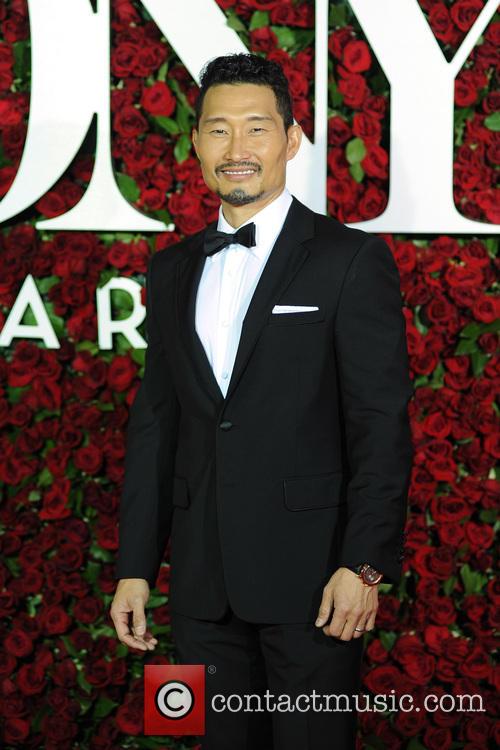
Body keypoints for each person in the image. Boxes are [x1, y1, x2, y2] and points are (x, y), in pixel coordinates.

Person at [110, 53, 414, 750]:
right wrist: (134, 568)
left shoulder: (348, 260)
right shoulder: (172, 267)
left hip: (315, 587)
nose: (237, 150)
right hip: (197, 590)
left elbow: (379, 425)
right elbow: (157, 424)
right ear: (195, 142)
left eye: (256, 129)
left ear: (292, 138)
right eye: (219, 130)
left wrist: (363, 565)